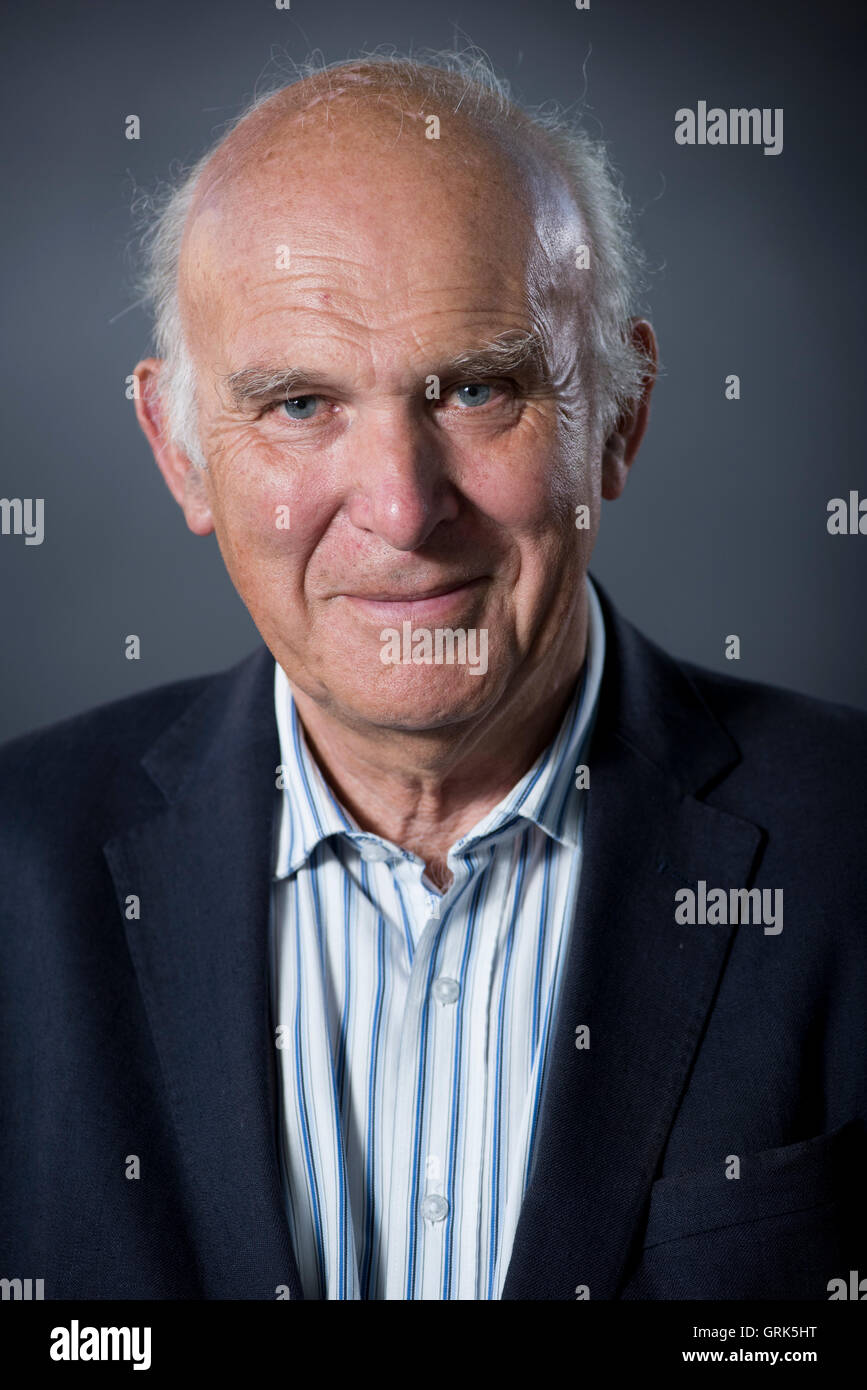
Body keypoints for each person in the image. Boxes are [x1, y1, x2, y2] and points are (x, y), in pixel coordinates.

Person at [0, 53, 864, 1301]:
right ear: (179, 451)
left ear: (616, 414)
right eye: (298, 403)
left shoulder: (848, 855)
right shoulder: (17, 873)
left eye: (474, 389)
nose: (404, 509)